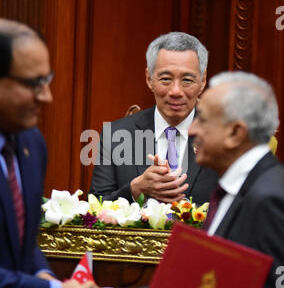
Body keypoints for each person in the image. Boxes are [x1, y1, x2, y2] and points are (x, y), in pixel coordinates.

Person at [92, 71, 284, 288]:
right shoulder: (235, 191)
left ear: (235, 133)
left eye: (203, 120)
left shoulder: (270, 197)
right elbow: (199, 287)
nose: (191, 129)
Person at [0, 18, 105, 288]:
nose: (47, 96)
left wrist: (46, 278)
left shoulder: (31, 144)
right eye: (33, 84)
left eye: (46, 80)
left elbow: (21, 241)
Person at [89, 32, 218, 205]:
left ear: (202, 81)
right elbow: (95, 208)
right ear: (149, 79)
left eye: (187, 80)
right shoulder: (115, 134)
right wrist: (135, 189)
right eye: (166, 79)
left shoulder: (222, 136)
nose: (176, 91)